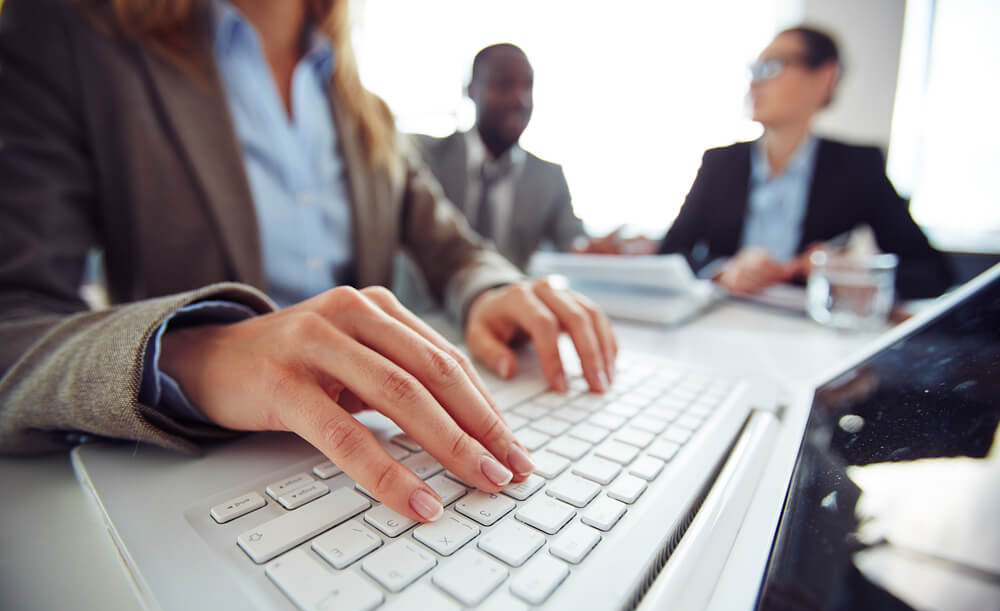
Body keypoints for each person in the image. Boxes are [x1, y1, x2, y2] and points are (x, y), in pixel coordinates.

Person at [0, 0, 618, 525]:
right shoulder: (71, 34)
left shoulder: (363, 108)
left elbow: (454, 248)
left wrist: (492, 291)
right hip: (197, 477)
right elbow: (13, 325)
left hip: (366, 453)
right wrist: (189, 353)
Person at [658, 26, 953, 299]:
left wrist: (859, 273)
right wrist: (721, 270)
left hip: (810, 333)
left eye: (772, 66)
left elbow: (934, 273)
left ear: (824, 77)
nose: (755, 81)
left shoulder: (857, 167)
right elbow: (669, 253)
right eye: (754, 69)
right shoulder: (720, 163)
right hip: (720, 319)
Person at [413, 43, 646, 272]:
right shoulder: (424, 157)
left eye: (528, 87)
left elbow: (571, 241)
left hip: (509, 304)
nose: (520, 100)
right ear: (472, 90)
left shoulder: (548, 177)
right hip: (423, 307)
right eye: (504, 85)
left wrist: (590, 251)